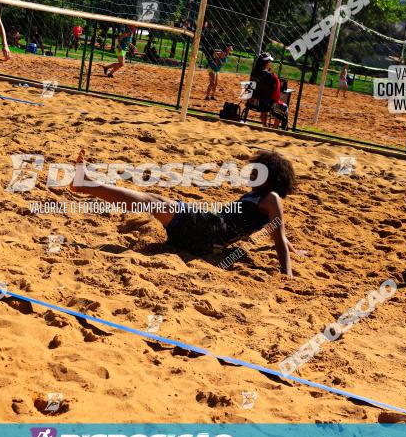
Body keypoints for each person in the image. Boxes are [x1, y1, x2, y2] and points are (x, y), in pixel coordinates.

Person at [69, 149, 296, 277]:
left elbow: (279, 235)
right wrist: (289, 246)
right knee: (153, 202)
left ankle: (87, 184)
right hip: (205, 236)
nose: (252, 172)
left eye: (258, 170)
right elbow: (278, 233)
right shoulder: (256, 196)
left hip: (208, 230)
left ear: (271, 179)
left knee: (152, 201)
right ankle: (88, 185)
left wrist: (287, 273)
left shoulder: (271, 198)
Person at [248, 52, 281, 127]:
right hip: (267, 103)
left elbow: (250, 86)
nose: (270, 63)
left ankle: (264, 125)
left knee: (264, 99)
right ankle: (274, 128)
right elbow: (275, 87)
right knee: (283, 107)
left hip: (253, 101)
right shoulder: (269, 75)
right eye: (269, 61)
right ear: (266, 62)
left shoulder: (254, 73)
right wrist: (271, 73)